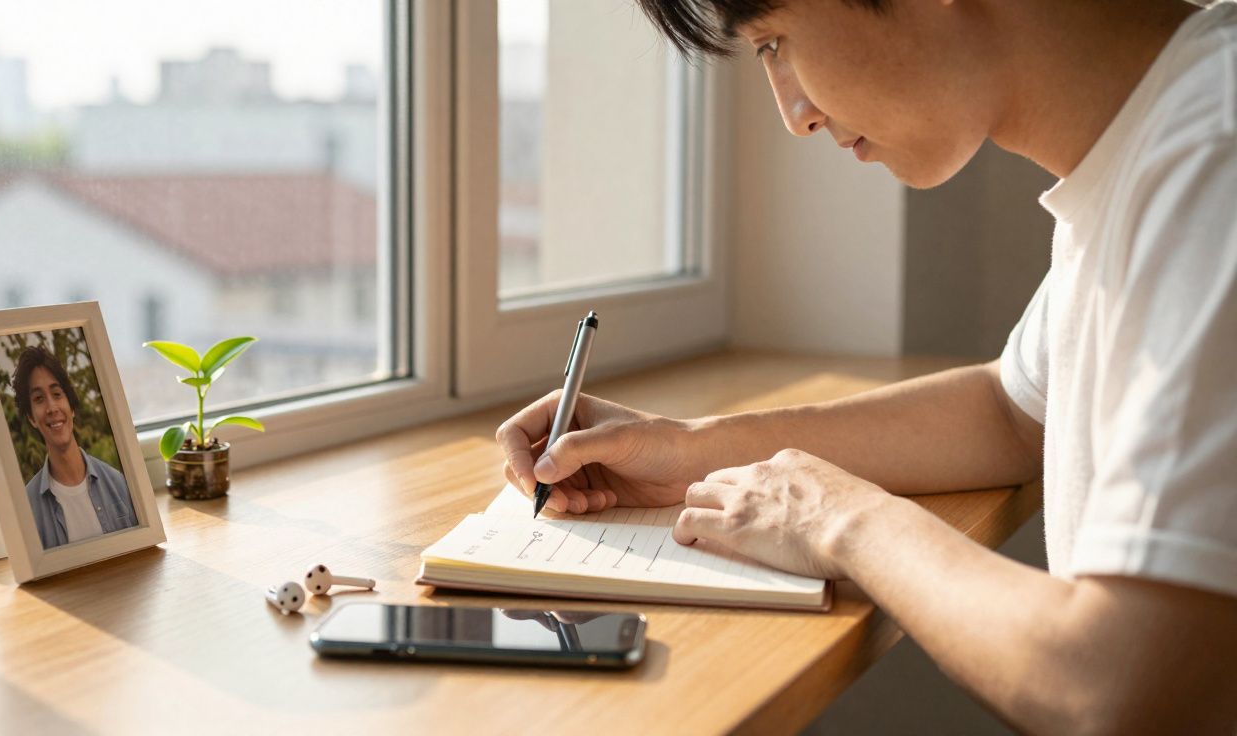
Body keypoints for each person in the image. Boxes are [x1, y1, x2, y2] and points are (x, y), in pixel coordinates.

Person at [497, 0, 1237, 731]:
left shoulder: (1214, 160)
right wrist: (684, 449)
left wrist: (846, 521)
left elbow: (1113, 687)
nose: (793, 113)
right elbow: (1011, 411)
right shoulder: (1156, 138)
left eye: (776, 40)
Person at [14, 345, 138, 549]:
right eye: (38, 399)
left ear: (71, 407)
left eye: (57, 394)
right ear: (31, 418)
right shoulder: (28, 507)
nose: (52, 408)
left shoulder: (118, 483)